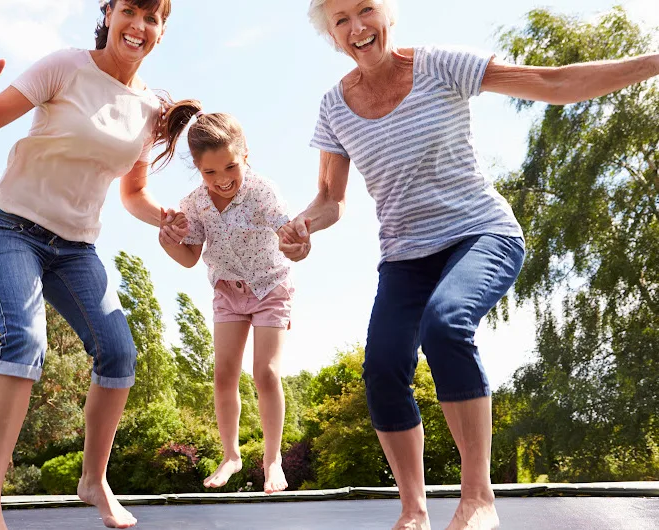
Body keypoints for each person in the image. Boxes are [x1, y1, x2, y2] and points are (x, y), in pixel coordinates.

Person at [278, 1, 659, 529]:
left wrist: (654, 62)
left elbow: (552, 83)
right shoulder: (334, 106)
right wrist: (302, 227)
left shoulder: (440, 65)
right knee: (384, 369)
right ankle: (413, 511)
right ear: (332, 35)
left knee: (446, 322)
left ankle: (478, 498)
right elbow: (329, 199)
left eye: (366, 9)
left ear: (388, 15)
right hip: (405, 256)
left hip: (481, 234)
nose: (357, 26)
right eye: (341, 19)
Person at [0, 1, 190, 528]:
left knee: (119, 353)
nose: (139, 26)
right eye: (130, 10)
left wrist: (164, 218)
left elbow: (135, 193)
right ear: (110, 13)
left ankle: (93, 479)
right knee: (24, 339)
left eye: (152, 18)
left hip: (76, 249)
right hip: (11, 229)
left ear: (161, 32)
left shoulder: (149, 110)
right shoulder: (65, 65)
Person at [156, 104, 293, 494]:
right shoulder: (194, 202)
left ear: (244, 154)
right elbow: (189, 257)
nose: (222, 179)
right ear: (198, 170)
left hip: (270, 287)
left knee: (265, 373)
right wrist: (168, 243)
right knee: (223, 375)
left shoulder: (263, 190)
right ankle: (231, 455)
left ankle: (272, 461)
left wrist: (297, 240)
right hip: (227, 291)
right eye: (210, 172)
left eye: (230, 167)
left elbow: (286, 230)